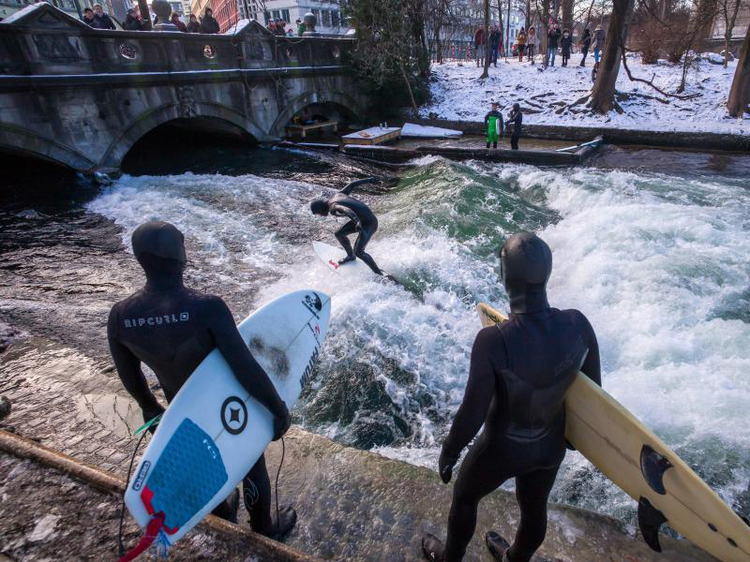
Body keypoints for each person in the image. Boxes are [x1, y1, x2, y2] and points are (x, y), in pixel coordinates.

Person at [107, 221, 296, 539]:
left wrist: (150, 408)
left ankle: (223, 512)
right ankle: (264, 529)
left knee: (203, 460)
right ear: (179, 257)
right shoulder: (206, 308)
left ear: (141, 259)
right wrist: (277, 409)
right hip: (228, 404)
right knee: (250, 462)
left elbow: (129, 373)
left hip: (182, 409)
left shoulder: (121, 315)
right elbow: (245, 368)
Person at [420, 231, 601, 562]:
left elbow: (471, 414)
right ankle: (514, 559)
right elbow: (593, 395)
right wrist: (571, 442)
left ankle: (450, 559)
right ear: (547, 273)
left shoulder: (492, 341)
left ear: (504, 278)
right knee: (534, 508)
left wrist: (449, 452)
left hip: (501, 449)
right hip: (549, 447)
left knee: (464, 496)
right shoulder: (579, 325)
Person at [310, 178, 384, 276]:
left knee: (359, 252)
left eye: (318, 213)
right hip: (362, 219)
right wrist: (370, 180)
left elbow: (346, 210)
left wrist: (357, 222)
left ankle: (379, 274)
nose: (320, 215)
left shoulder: (332, 207)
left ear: (320, 209)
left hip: (369, 223)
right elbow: (352, 184)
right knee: (339, 234)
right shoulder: (337, 195)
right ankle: (350, 256)